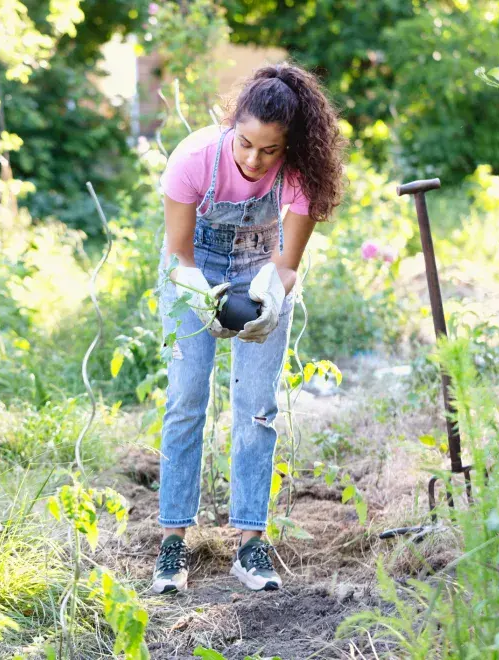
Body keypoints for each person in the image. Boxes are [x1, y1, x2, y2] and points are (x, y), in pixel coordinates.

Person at [152, 62, 346, 594]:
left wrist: (272, 299)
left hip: (259, 269)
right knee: (187, 399)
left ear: (291, 146)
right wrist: (201, 297)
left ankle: (250, 544)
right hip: (194, 269)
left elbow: (287, 263)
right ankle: (173, 543)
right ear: (230, 124)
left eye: (269, 150)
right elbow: (179, 255)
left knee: (258, 409)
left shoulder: (303, 172)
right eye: (244, 144)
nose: (253, 160)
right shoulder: (193, 159)